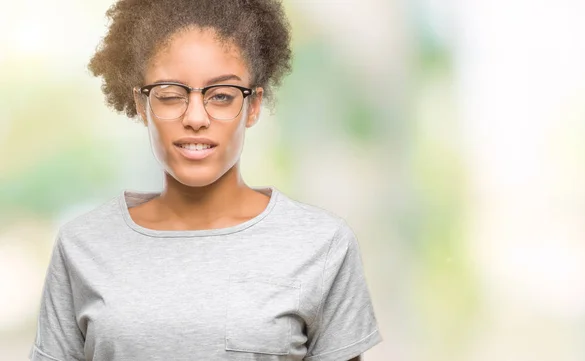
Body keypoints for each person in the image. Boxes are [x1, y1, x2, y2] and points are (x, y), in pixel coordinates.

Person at [28, 1, 382, 360]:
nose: (196, 117)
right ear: (141, 103)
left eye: (222, 96)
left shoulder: (322, 245)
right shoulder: (82, 246)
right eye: (169, 95)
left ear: (253, 105)